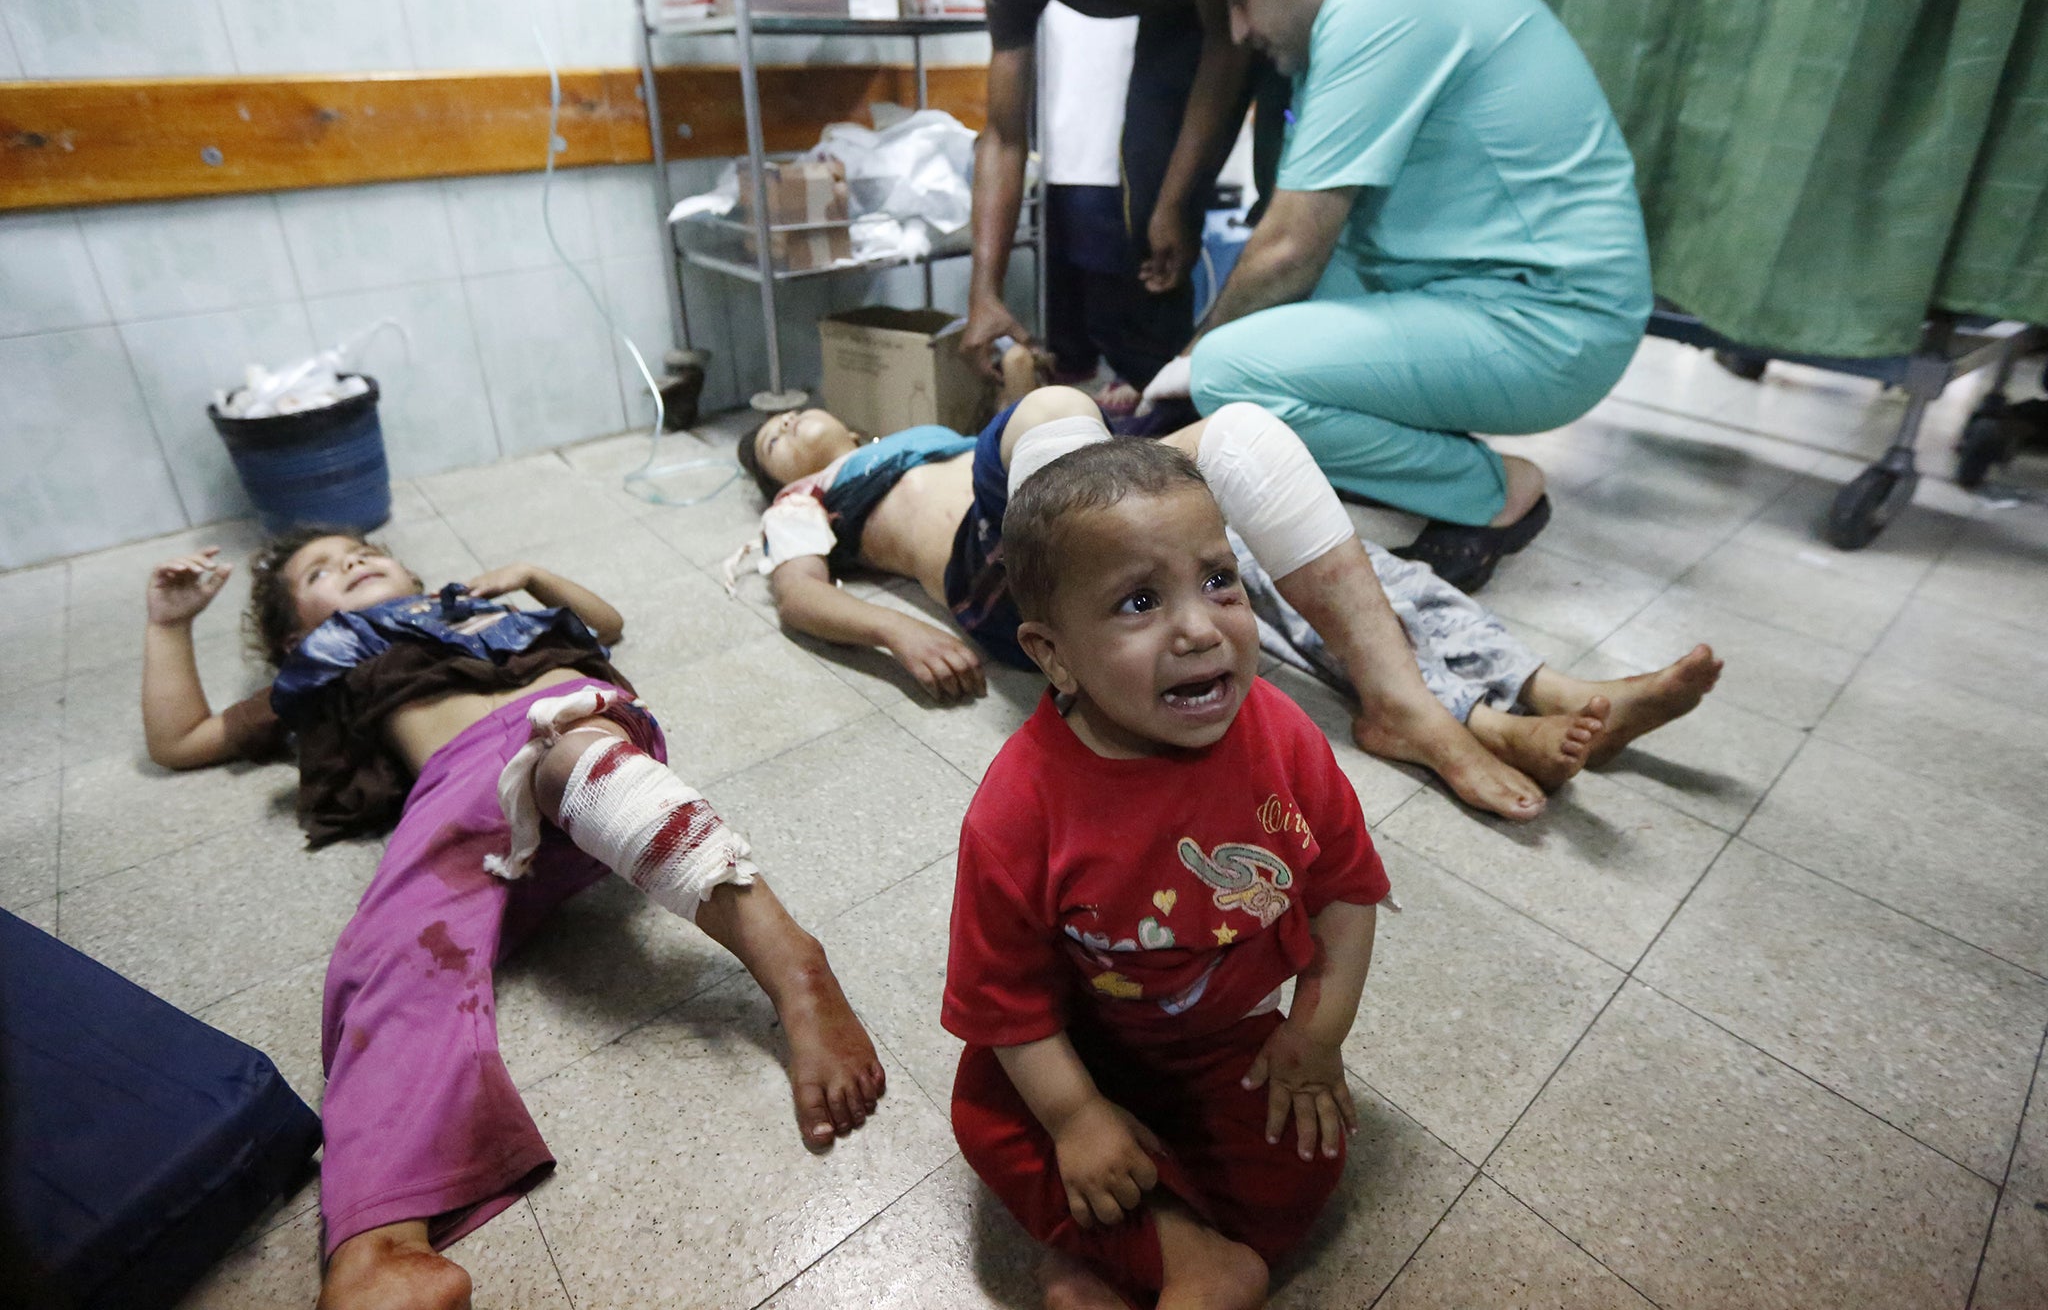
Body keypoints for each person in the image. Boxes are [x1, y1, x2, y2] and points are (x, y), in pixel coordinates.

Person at [140, 532, 885, 1310]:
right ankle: (378, 1247)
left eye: (362, 550)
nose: (352, 562)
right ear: (298, 633)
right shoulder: (327, 661)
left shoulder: (479, 609)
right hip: (461, 790)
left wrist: (532, 574)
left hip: (576, 731)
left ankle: (796, 968)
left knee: (569, 755)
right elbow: (180, 739)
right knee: (385, 956)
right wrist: (168, 623)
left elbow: (610, 622)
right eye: (320, 573)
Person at [733, 369, 1722, 819]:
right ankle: (1439, 707)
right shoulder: (807, 498)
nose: (793, 426)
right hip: (1011, 567)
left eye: (799, 416)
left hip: (1077, 504)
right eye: (773, 437)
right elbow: (797, 592)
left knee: (1246, 464)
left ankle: (1505, 695)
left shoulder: (918, 439)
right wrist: (895, 636)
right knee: (1048, 411)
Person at [943, 439, 1390, 1308]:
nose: (1199, 626)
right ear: (1054, 653)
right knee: (989, 1114)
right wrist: (1076, 1117)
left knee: (1312, 1148)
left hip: (1222, 1044)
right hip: (1077, 1044)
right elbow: (1006, 1004)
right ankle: (1169, 1258)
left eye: (1219, 580)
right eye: (1139, 601)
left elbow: (1345, 892)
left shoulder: (1287, 737)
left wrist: (1315, 1034)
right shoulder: (1018, 812)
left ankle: (1123, 1252)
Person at [1144, 0, 1656, 592]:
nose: (1238, 28)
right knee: (1262, 352)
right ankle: (1419, 463)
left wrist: (1189, 366)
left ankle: (1493, 490)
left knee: (1231, 374)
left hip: (1554, 325)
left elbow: (1290, 247)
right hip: (1495, 296)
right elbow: (1325, 248)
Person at [923, 0, 1388, 394]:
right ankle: (1158, 398)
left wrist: (1180, 200)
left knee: (1293, 185)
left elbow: (1228, 39)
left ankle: (1315, 390)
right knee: (1145, 213)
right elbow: (1005, 135)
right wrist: (985, 294)